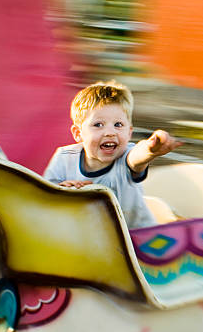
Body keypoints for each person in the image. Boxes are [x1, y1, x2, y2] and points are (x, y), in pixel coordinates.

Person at [44, 80, 182, 228]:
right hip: (87, 234)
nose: (110, 132)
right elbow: (43, 194)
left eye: (118, 125)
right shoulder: (64, 157)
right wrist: (60, 190)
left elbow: (137, 157)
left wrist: (150, 149)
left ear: (129, 133)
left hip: (135, 237)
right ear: (78, 133)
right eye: (98, 125)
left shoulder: (126, 157)